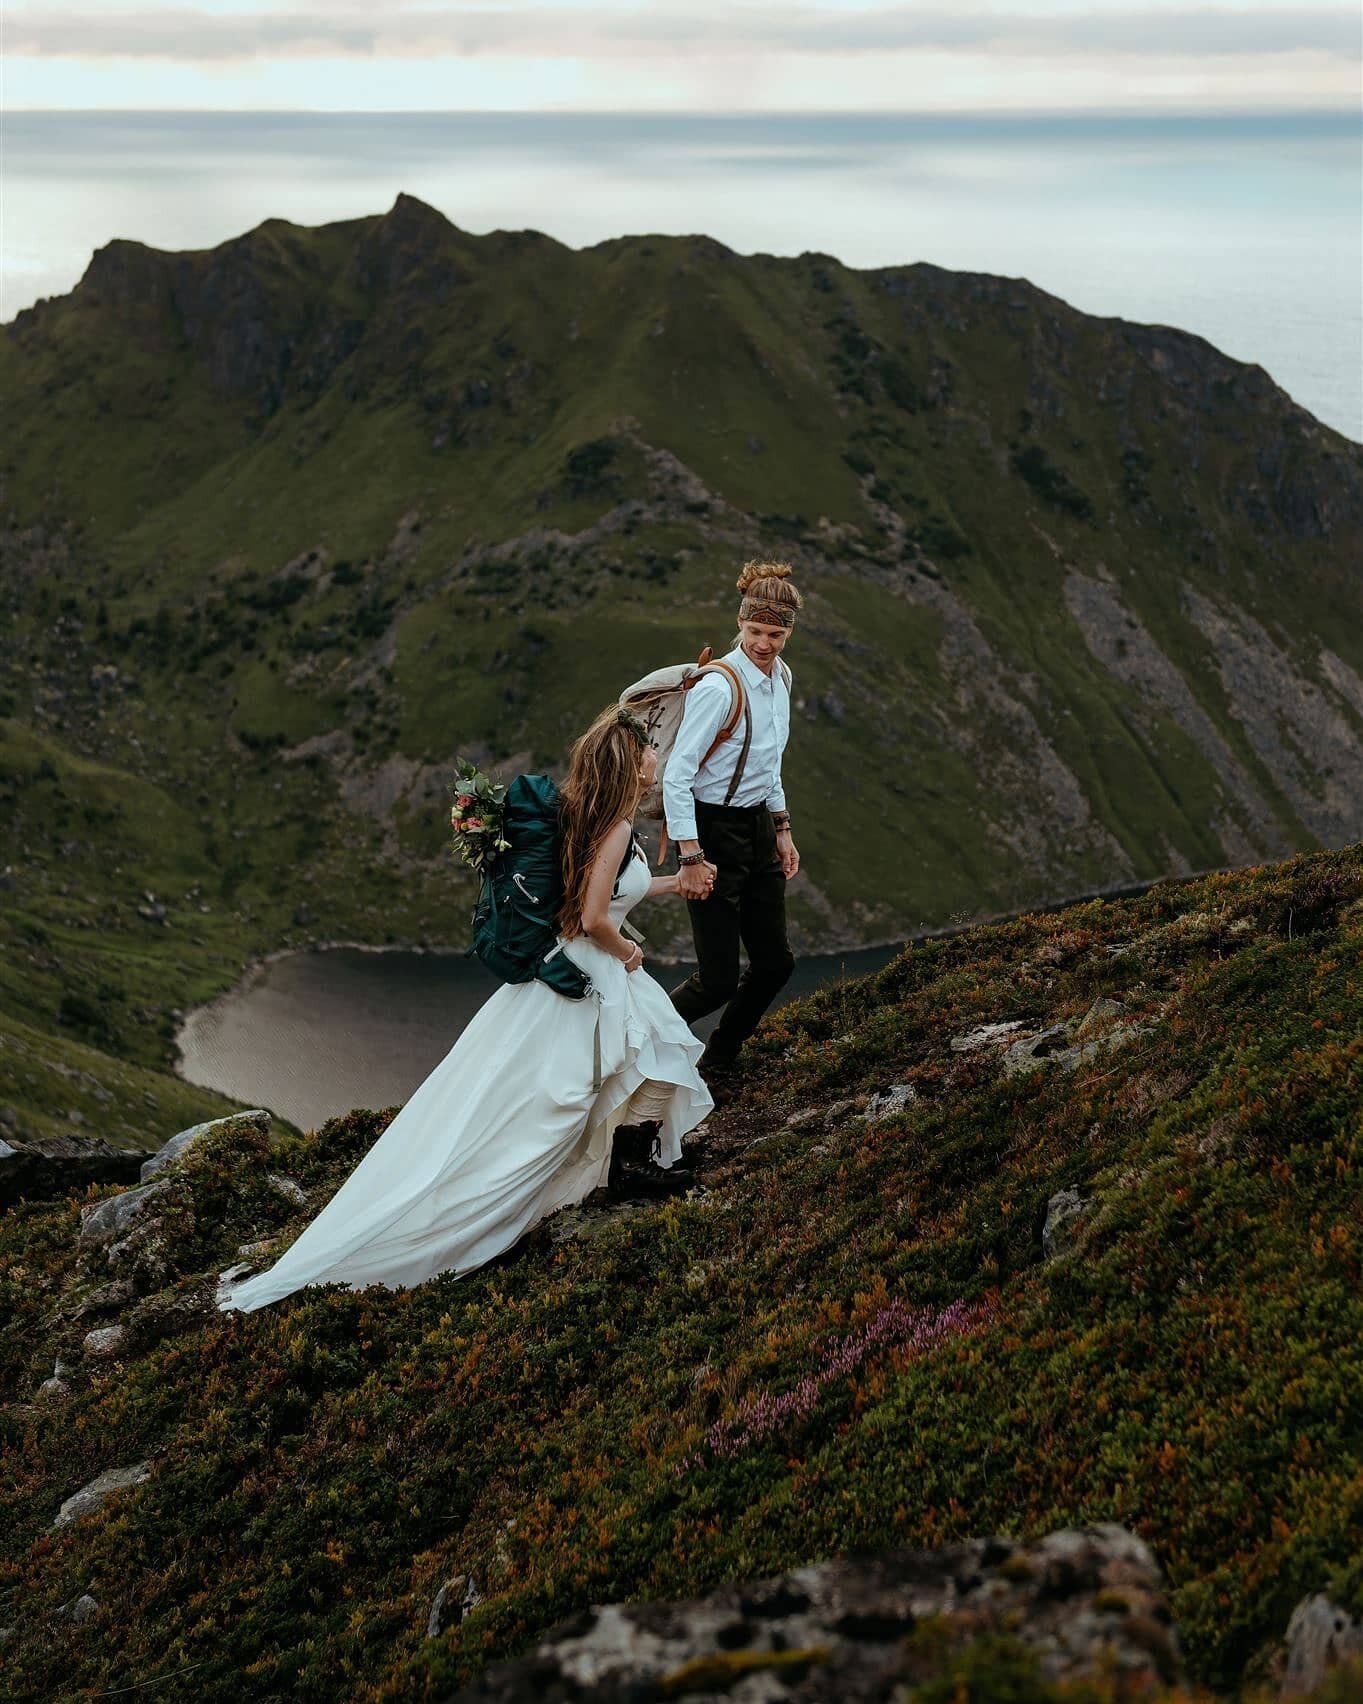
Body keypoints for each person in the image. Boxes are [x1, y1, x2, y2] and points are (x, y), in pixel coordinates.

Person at [215, 706, 714, 1315]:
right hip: (590, 971)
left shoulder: (590, 817)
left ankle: (629, 1162)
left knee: (608, 1072)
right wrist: (629, 950)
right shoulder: (610, 827)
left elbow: (609, 888)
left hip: (578, 970)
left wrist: (671, 884)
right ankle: (559, 1185)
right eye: (651, 750)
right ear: (632, 764)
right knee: (571, 1095)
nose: (658, 757)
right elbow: (592, 917)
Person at [666, 560, 801, 1089]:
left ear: (788, 631)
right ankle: (633, 1050)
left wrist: (782, 828)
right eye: (755, 632)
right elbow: (678, 774)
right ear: (739, 625)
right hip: (711, 831)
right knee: (717, 979)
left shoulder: (781, 679)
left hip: (758, 829)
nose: (764, 644)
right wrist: (692, 856)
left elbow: (769, 763)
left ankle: (719, 1058)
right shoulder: (719, 687)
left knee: (775, 964)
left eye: (775, 633)